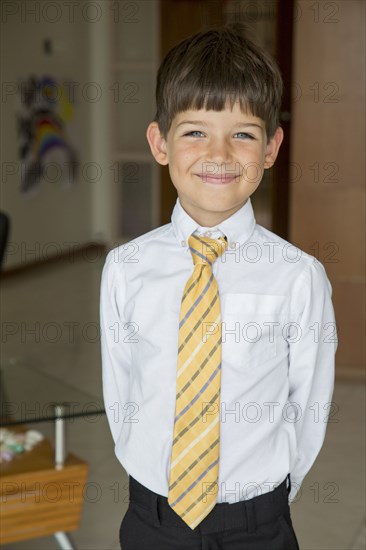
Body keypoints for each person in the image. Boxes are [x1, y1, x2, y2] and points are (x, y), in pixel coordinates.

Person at [100, 22, 338, 550]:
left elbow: (310, 401)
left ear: (272, 147)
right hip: (152, 518)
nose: (220, 153)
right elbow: (122, 391)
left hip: (258, 522)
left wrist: (269, 495)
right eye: (194, 132)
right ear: (160, 142)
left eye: (243, 134)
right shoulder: (126, 267)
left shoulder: (298, 277)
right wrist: (149, 477)